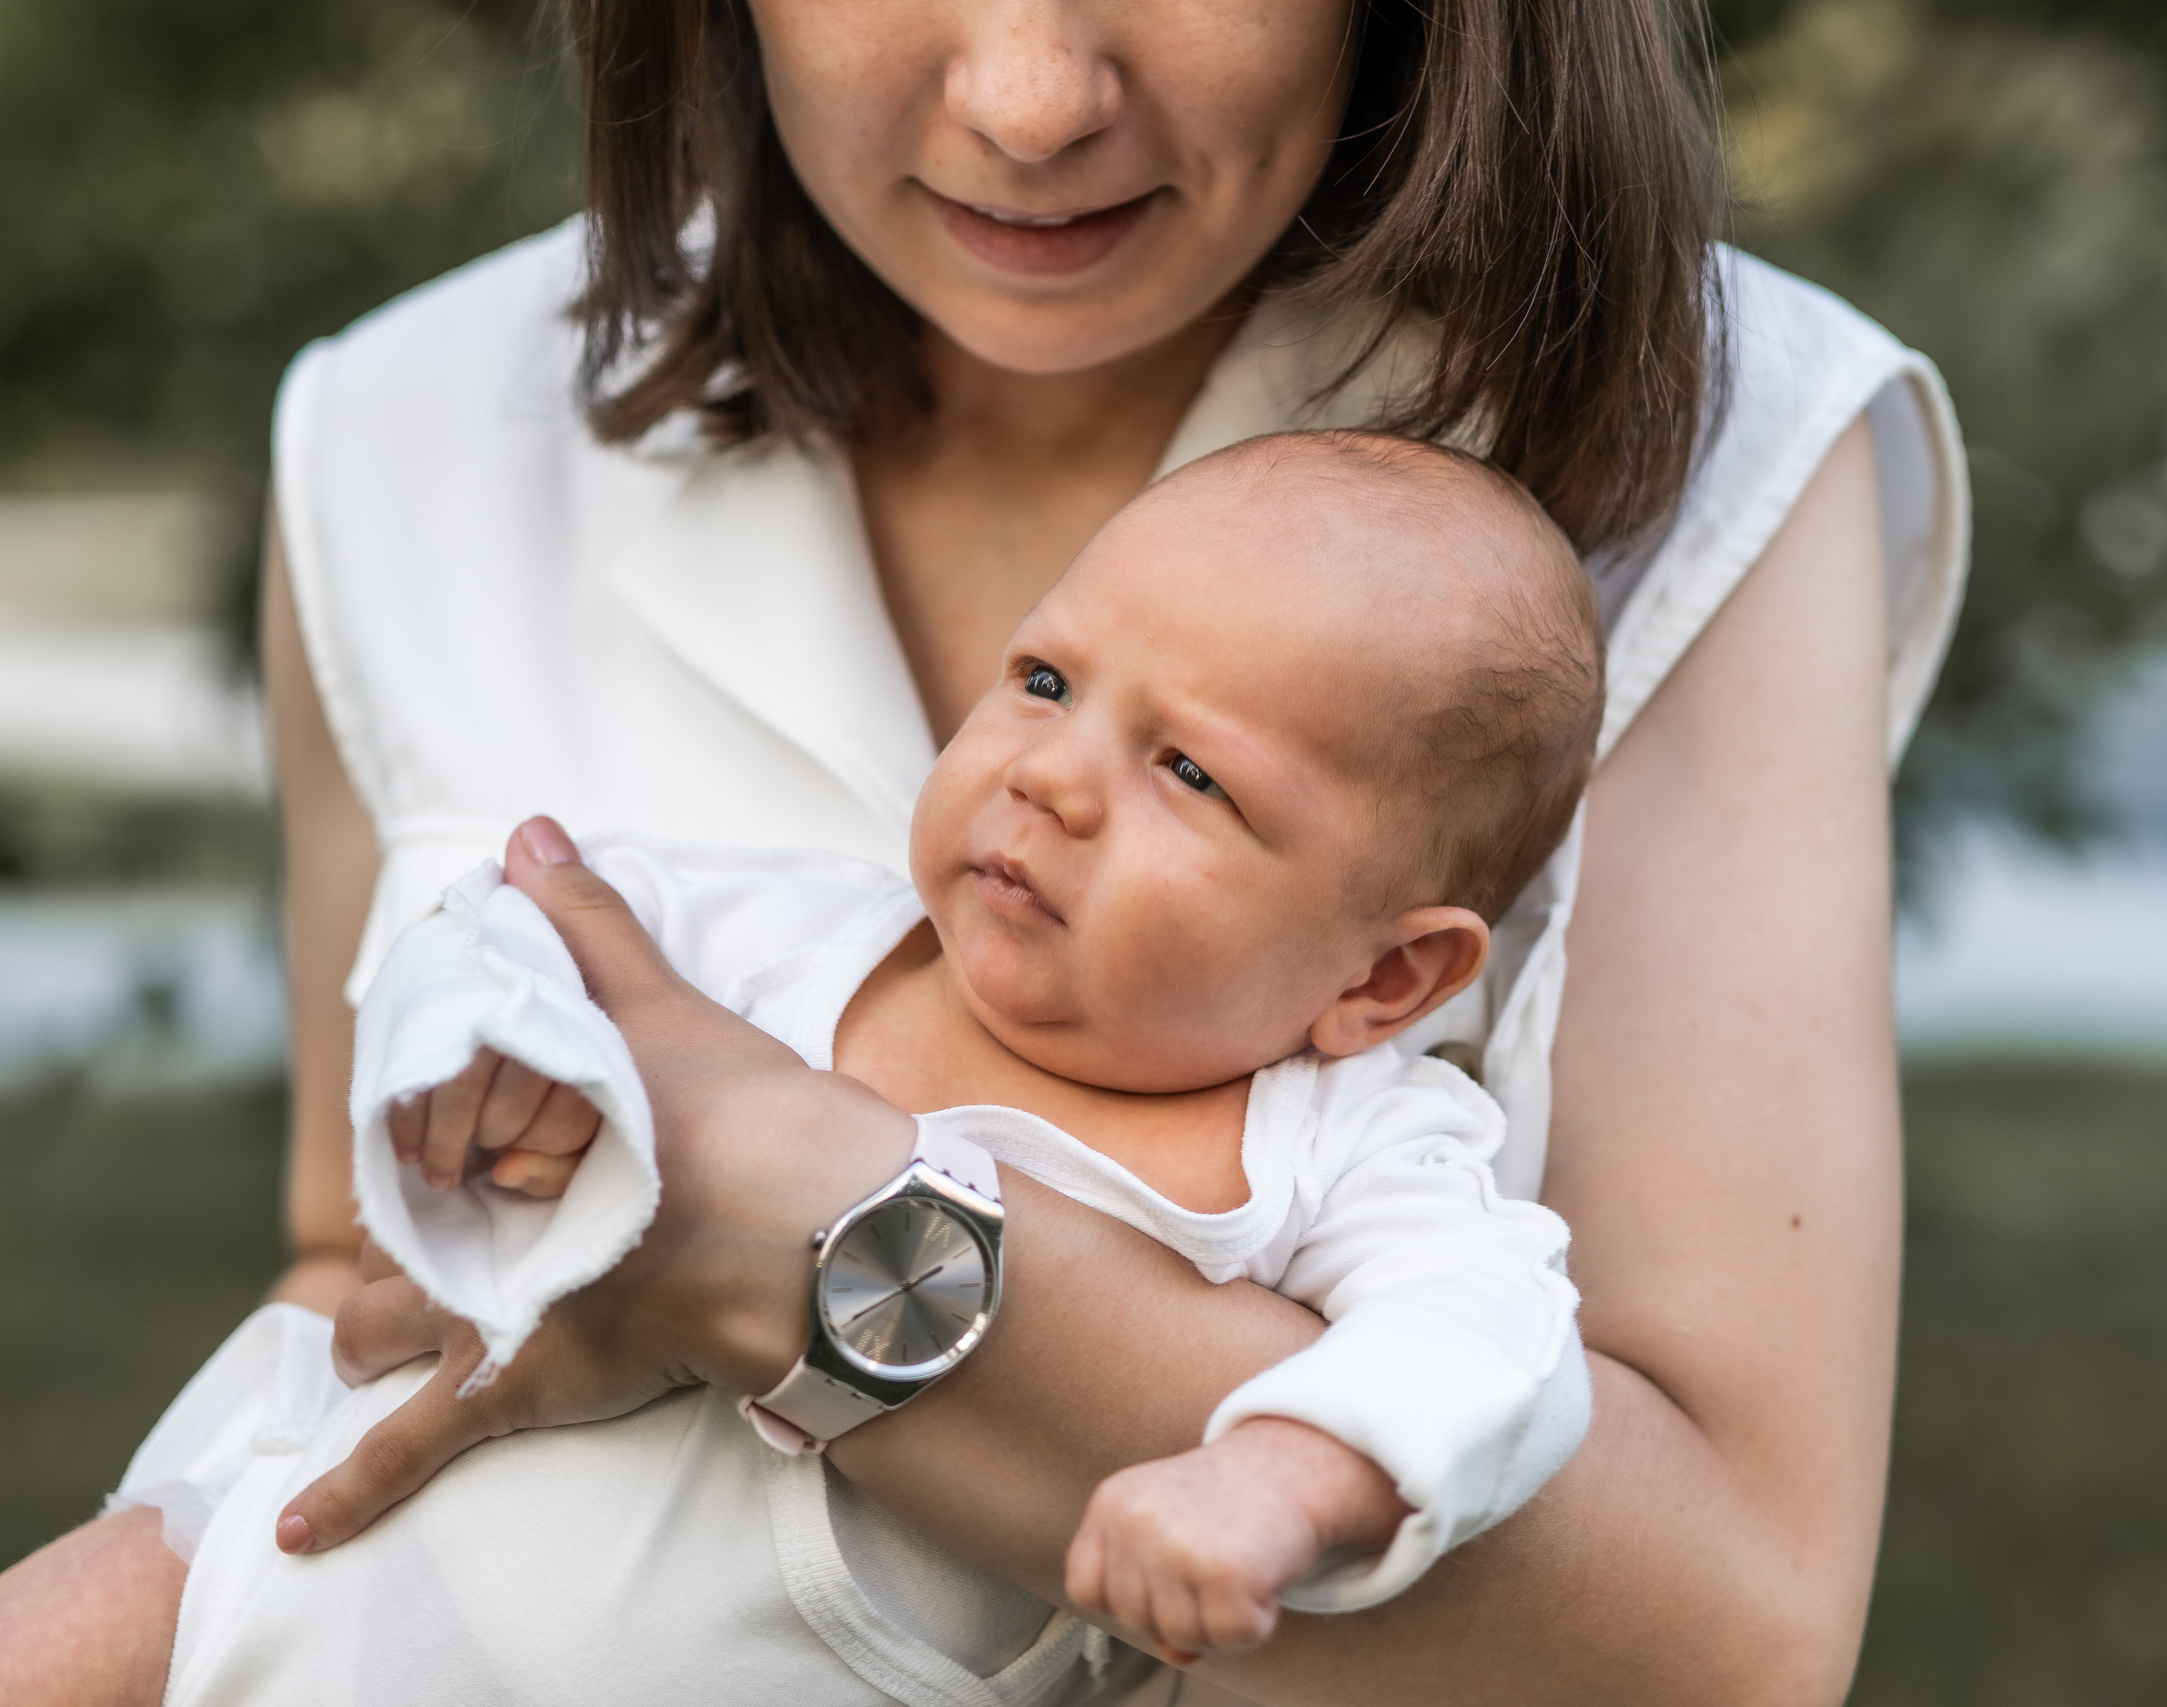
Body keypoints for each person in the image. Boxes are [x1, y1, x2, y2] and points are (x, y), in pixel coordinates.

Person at [0, 0, 1967, 1702]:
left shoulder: (1703, 441)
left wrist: (800, 1226)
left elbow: (1709, 1640)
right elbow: (363, 1265)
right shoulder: (406, 427)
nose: (1029, 98)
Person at [134, 432, 1600, 1703]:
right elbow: (508, 921)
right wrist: (489, 1057)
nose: (1049, 773)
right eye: (1045, 678)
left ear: (1385, 977)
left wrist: (1284, 1474)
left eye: (1191, 772)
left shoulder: (1350, 1147)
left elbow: (1492, 1346)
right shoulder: (798, 938)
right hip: (267, 1573)